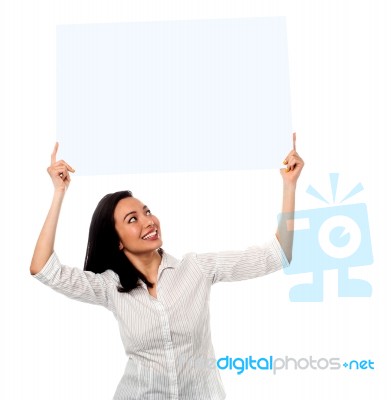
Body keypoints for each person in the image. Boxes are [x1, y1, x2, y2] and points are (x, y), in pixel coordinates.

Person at [30, 134, 304, 399]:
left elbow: (278, 255)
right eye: (133, 219)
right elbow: (43, 269)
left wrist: (289, 185)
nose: (148, 221)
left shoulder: (196, 268)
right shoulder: (109, 286)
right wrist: (59, 192)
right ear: (117, 243)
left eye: (147, 212)